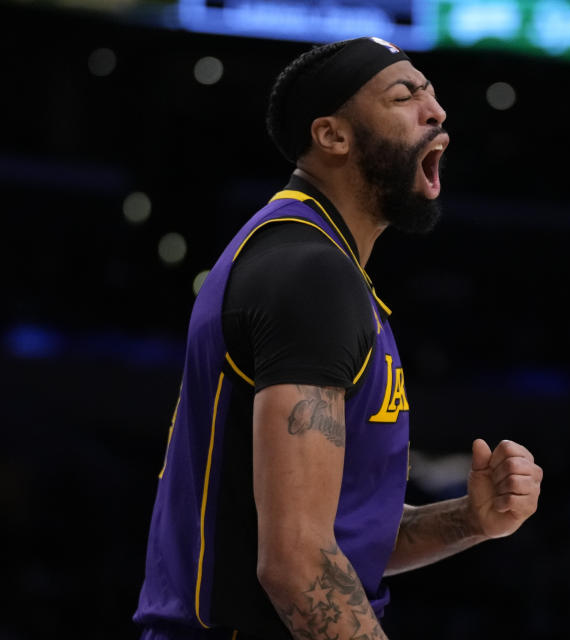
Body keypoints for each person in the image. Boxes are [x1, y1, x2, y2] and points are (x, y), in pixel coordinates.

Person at [133, 37, 543, 640]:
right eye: (404, 96)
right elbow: (298, 565)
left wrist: (470, 520)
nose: (437, 111)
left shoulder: (312, 261)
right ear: (332, 136)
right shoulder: (310, 274)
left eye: (431, 92)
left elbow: (340, 531)